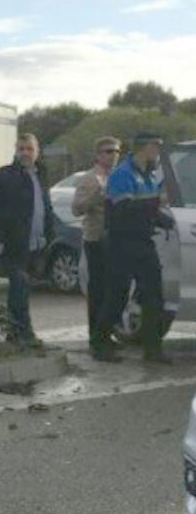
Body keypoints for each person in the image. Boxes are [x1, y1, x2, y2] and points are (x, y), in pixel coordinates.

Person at [94, 132, 175, 364]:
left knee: (153, 295)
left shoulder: (148, 175)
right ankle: (100, 343)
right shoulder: (123, 174)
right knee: (117, 296)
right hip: (121, 242)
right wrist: (155, 204)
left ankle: (153, 349)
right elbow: (124, 210)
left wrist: (167, 221)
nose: (159, 152)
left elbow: (149, 210)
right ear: (145, 147)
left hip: (143, 241)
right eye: (157, 147)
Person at [0, 133, 55, 348]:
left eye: (29, 149)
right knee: (19, 287)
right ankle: (26, 334)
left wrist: (50, 234)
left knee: (22, 290)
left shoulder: (41, 175)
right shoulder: (3, 176)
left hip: (37, 244)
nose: (25, 153)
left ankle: (14, 333)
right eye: (21, 148)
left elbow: (45, 206)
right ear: (15, 151)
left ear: (37, 151)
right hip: (13, 244)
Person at [72, 136, 122, 360]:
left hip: (117, 241)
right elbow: (77, 209)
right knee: (99, 290)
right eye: (107, 151)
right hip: (96, 240)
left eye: (116, 151)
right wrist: (96, 195)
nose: (112, 155)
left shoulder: (120, 176)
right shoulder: (89, 179)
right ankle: (97, 338)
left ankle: (108, 332)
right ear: (97, 155)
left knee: (116, 290)